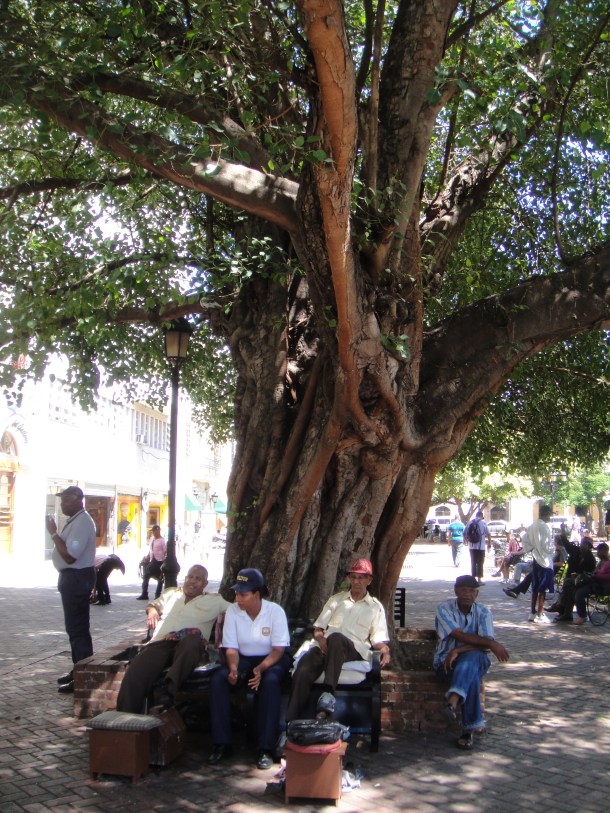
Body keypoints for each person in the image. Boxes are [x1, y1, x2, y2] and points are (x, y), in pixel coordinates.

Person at [285, 558, 390, 722]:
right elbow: (319, 628)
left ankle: (328, 693)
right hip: (326, 647)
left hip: (352, 649)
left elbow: (378, 639)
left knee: (336, 638)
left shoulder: (375, 607)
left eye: (361, 577)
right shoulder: (336, 600)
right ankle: (290, 722)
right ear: (349, 579)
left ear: (369, 580)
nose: (357, 581)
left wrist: (384, 649)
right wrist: (320, 641)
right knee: (305, 665)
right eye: (354, 577)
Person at [207, 568, 292, 770]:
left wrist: (261, 669)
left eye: (243, 594)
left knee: (270, 683)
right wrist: (234, 669)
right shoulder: (233, 612)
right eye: (236, 593)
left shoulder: (274, 612)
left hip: (271, 658)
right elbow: (231, 648)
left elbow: (279, 649)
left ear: (256, 594)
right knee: (219, 679)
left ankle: (265, 747)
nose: (238, 599)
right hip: (243, 657)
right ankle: (222, 742)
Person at [117, 565, 230, 713]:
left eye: (198, 579)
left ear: (205, 584)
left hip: (189, 645)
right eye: (190, 577)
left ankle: (168, 692)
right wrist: (151, 610)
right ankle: (124, 720)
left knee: (193, 640)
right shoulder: (171, 593)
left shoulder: (215, 600)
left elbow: (239, 610)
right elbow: (154, 605)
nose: (192, 581)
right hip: (161, 643)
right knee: (136, 672)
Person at [434, 574, 509, 750]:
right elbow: (457, 634)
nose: (467, 594)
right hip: (446, 664)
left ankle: (452, 700)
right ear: (456, 591)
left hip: (473, 659)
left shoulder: (484, 612)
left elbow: (485, 643)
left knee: (472, 659)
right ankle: (469, 730)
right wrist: (489, 642)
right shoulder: (444, 608)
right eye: (463, 590)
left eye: (471, 591)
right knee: (472, 676)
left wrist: (458, 650)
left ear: (476, 594)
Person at [45, 486, 97, 694]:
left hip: (77, 578)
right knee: (74, 628)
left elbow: (70, 556)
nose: (62, 504)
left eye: (66, 500)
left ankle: (83, 675)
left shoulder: (82, 523)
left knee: (78, 629)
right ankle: (79, 670)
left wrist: (54, 533)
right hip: (72, 578)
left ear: (78, 499)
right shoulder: (76, 520)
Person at [519, 505, 555, 624]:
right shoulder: (545, 527)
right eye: (550, 514)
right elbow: (547, 546)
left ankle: (532, 613)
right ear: (546, 514)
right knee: (542, 588)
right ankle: (540, 613)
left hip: (535, 558)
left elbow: (525, 541)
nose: (551, 517)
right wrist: (553, 550)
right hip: (544, 560)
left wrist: (532, 549)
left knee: (535, 587)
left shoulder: (532, 526)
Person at [548, 535, 597, 622]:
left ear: (589, 546)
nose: (583, 546)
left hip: (584, 581)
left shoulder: (590, 558)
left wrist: (578, 575)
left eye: (586, 545)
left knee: (568, 584)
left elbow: (589, 573)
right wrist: (563, 532)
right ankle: (566, 613)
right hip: (574, 580)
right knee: (569, 588)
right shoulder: (576, 551)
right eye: (582, 543)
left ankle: (560, 606)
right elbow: (566, 544)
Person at [572, 543, 610, 625]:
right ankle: (568, 611)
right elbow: (595, 573)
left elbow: (606, 577)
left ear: (604, 551)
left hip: (603, 587)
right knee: (575, 587)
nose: (597, 553)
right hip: (595, 584)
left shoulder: (608, 563)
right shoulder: (601, 562)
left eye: (599, 551)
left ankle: (582, 616)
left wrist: (596, 576)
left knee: (580, 593)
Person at [137, 524, 167, 600]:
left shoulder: (162, 541)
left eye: (154, 531)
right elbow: (151, 550)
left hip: (159, 561)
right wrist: (147, 557)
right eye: (152, 531)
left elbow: (165, 552)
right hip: (152, 560)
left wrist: (164, 562)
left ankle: (157, 595)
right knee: (146, 576)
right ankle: (144, 594)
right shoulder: (152, 539)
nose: (153, 532)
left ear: (158, 531)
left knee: (160, 578)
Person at [464, 511, 491, 585]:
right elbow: (488, 533)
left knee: (473, 562)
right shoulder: (483, 522)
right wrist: (489, 543)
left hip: (471, 546)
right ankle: (479, 579)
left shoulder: (470, 522)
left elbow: (464, 532)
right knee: (480, 562)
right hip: (481, 547)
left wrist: (466, 540)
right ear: (482, 516)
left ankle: (473, 579)